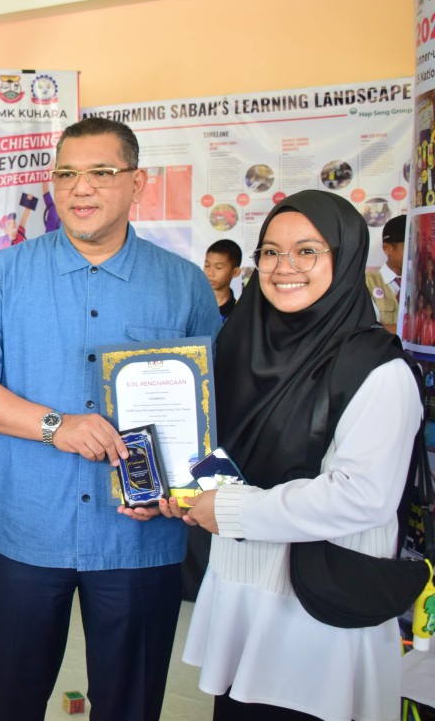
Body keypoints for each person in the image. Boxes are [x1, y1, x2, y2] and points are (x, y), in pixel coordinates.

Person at [0, 116, 221, 720]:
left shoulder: (183, 285)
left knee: (130, 704)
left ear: (138, 183)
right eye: (66, 174)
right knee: (9, 700)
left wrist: (189, 492)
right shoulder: (5, 275)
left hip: (139, 538)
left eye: (101, 172)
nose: (80, 188)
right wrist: (55, 426)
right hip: (27, 530)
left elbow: (209, 407)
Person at [167, 190, 421, 720]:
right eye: (271, 252)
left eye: (307, 251)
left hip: (318, 610)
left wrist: (229, 508)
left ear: (344, 258)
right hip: (241, 594)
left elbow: (361, 497)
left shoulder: (378, 370)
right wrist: (171, 491)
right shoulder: (237, 351)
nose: (285, 267)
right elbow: (211, 455)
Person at [366, 213, 405, 334]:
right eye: (408, 246)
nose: (415, 252)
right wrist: (411, 332)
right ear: (387, 249)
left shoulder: (424, 282)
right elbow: (366, 330)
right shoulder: (366, 283)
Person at [204, 239, 243, 321]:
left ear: (235, 272)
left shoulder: (239, 313)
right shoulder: (193, 306)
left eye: (218, 267)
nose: (210, 273)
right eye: (207, 265)